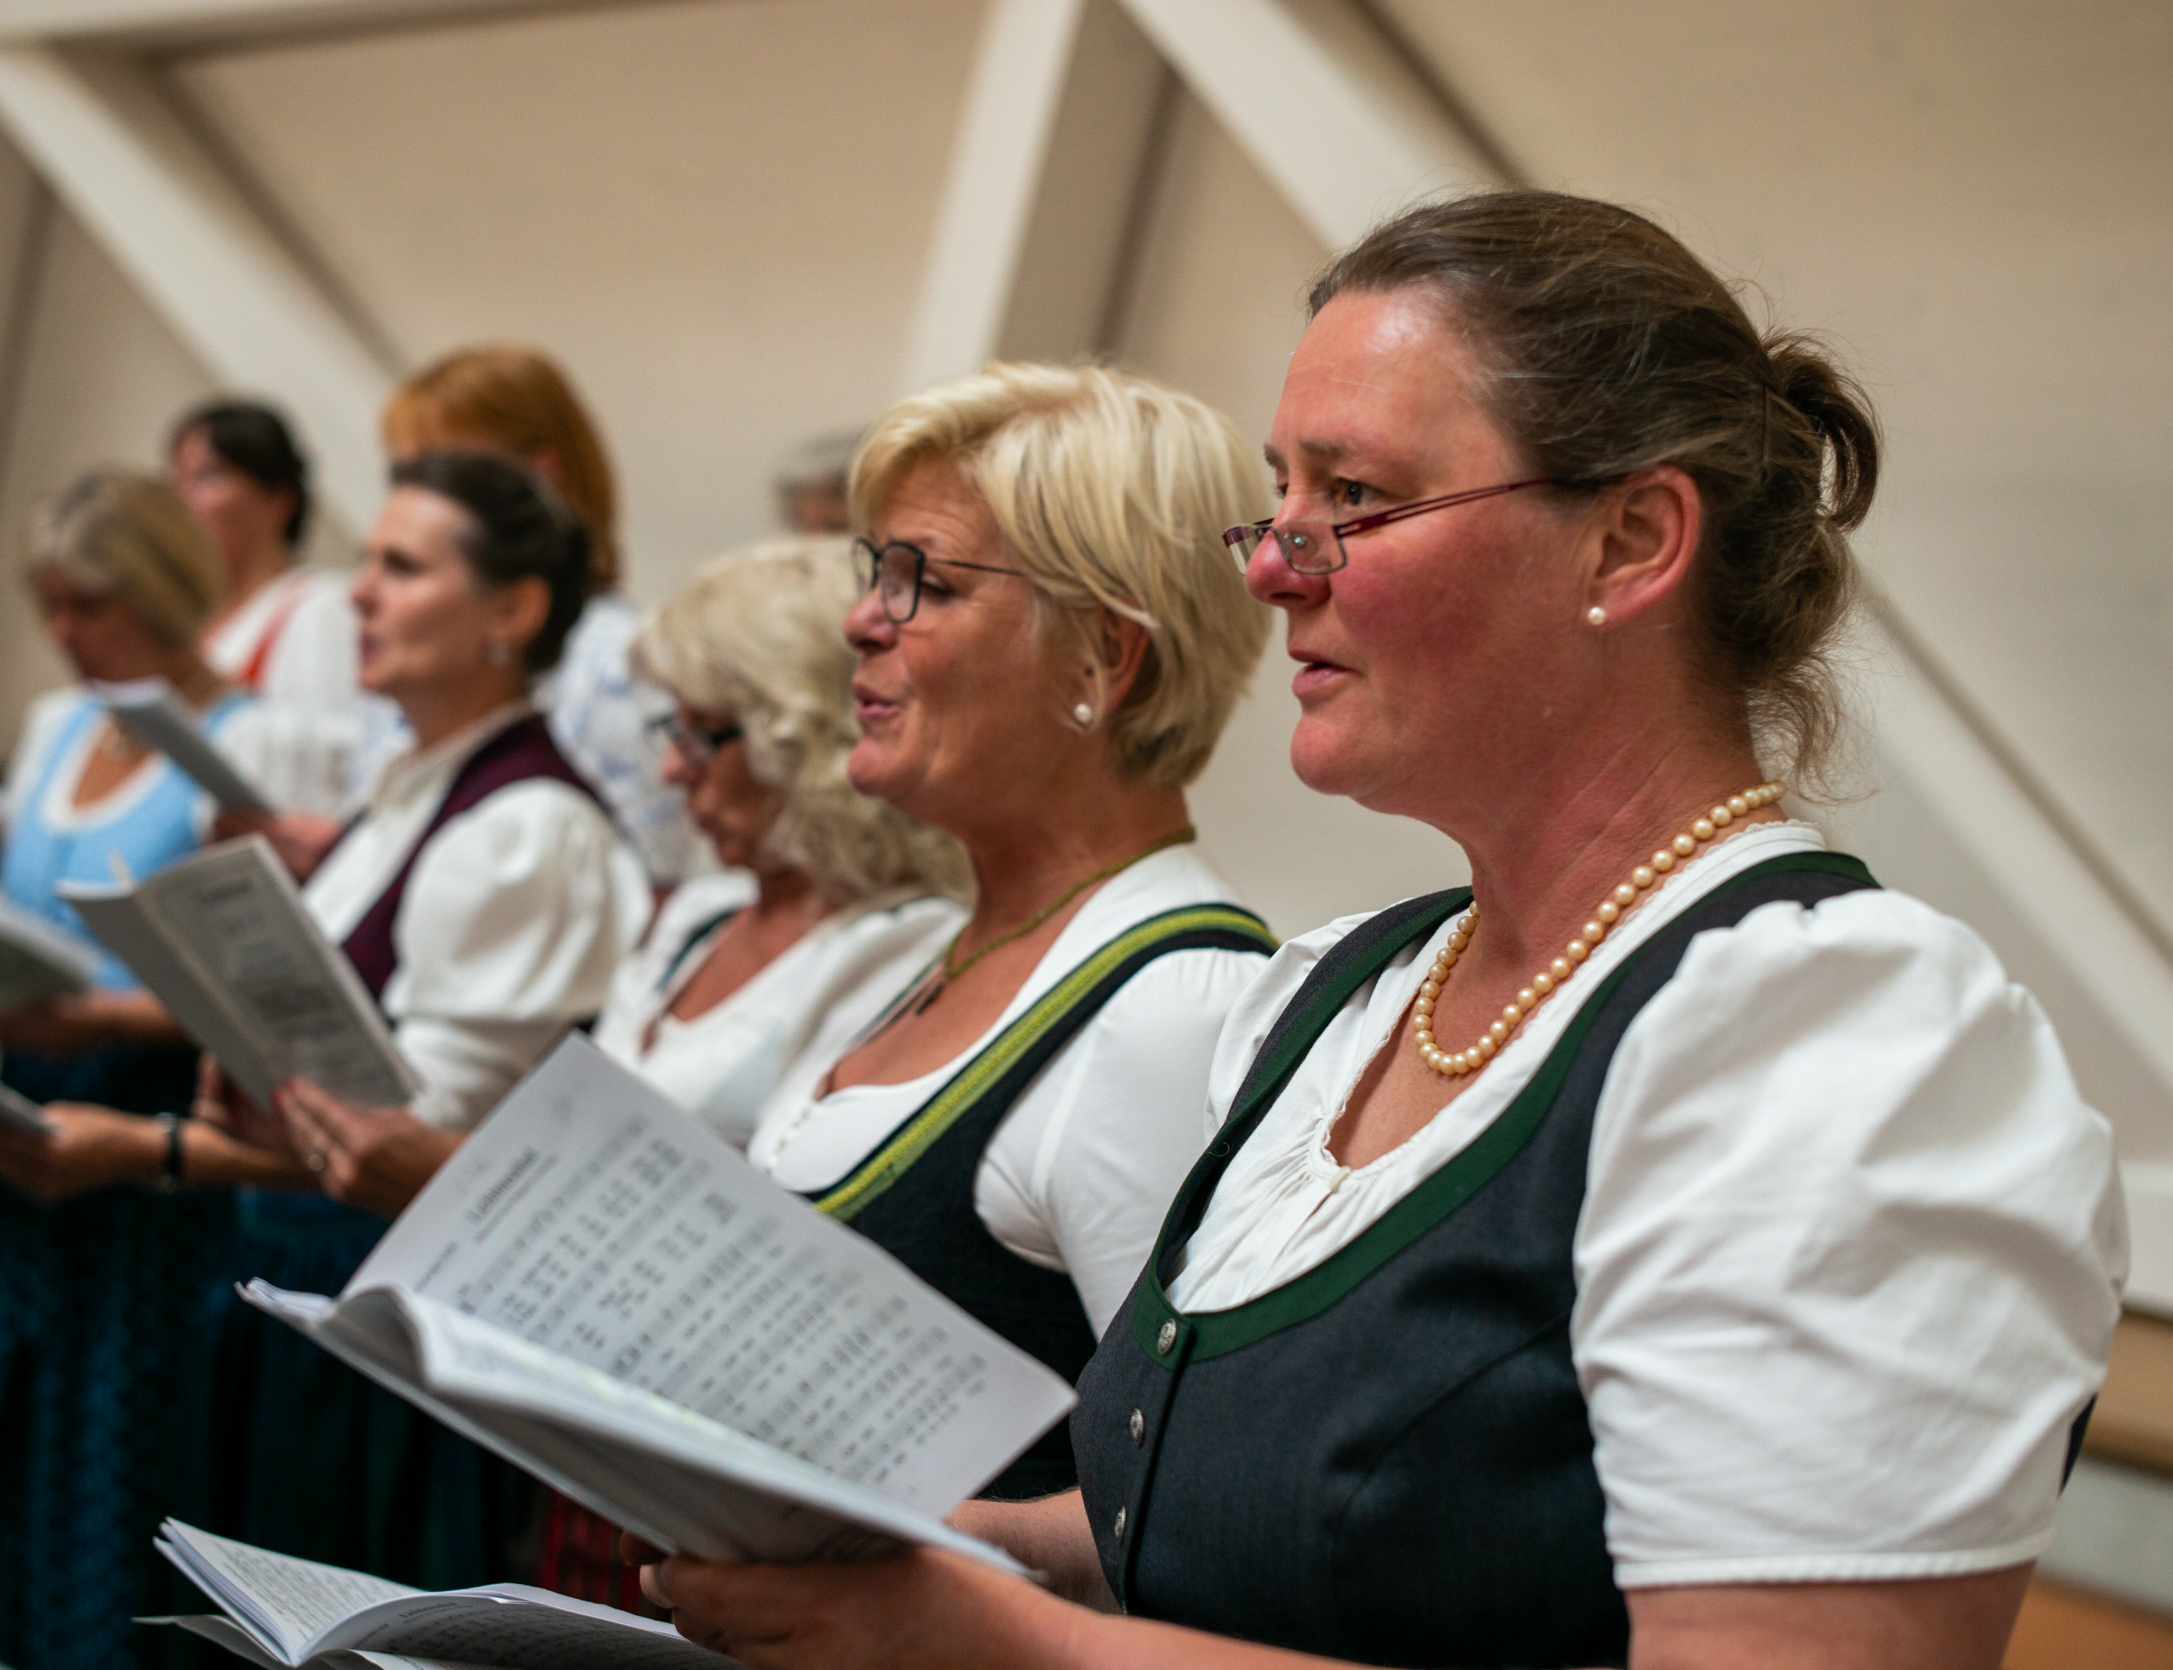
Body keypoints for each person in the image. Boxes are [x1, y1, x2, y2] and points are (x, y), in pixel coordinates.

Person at [644, 191, 2127, 1670]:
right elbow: (1252, 1520)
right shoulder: (1348, 996)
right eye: (1279, 497)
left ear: (1629, 542)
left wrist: (1006, 1643)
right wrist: (979, 1542)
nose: (1270, 566)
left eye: (1352, 494)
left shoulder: (1833, 1042)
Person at [0, 450, 652, 1591]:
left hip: (388, 1325)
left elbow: (404, 1138)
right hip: (293, 1279)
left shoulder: (526, 829)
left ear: (512, 611)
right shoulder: (409, 794)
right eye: (365, 562)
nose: (359, 595)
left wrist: (153, 1147)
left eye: (402, 567)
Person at [741, 363, 1281, 1503]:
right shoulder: (942, 945)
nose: (859, 620)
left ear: (1103, 654)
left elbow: (1185, 1502)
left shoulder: (1170, 1006)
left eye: (924, 584)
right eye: (876, 573)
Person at [0, 470, 284, 1670]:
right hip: (31, 1097)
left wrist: (105, 1016)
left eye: (91, 605)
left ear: (162, 594)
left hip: (147, 1128)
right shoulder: (56, 724)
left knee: (112, 1433)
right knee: (3, 1405)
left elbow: (261, 990)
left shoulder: (248, 740)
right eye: (50, 605)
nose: (66, 632)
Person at [594, 537, 968, 1150]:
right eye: (674, 730)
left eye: (704, 734)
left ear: (803, 741)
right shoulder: (699, 917)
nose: (673, 769)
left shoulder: (900, 943)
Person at [381, 346, 698, 888]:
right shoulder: (409, 656)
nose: (408, 506)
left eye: (437, 478)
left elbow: (653, 883)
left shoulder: (620, 664)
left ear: (539, 476)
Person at [171, 398, 388, 814]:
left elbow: (335, 762)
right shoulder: (191, 620)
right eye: (176, 482)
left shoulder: (322, 606)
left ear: (279, 497)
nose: (182, 501)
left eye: (206, 478)